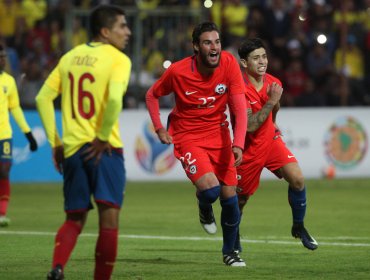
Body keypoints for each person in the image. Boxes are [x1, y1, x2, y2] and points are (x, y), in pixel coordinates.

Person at [35, 5, 131, 280]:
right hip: (105, 150)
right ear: (105, 31)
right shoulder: (118, 59)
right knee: (109, 220)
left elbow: (43, 98)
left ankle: (58, 267)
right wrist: (101, 137)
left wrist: (56, 142)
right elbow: (114, 99)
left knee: (74, 218)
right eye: (122, 26)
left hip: (73, 150)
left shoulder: (70, 57)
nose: (128, 31)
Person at [145, 22, 248, 267]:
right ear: (195, 47)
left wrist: (238, 143)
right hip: (188, 136)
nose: (214, 47)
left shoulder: (229, 64)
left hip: (219, 135)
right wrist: (159, 127)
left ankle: (229, 252)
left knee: (230, 196)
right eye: (207, 42)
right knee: (211, 191)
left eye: (217, 42)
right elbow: (152, 95)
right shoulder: (178, 72)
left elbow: (239, 108)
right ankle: (204, 206)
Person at [233, 38, 318, 252]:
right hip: (248, 148)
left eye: (264, 56)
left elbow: (275, 108)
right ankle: (233, 236)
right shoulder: (238, 88)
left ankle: (298, 226)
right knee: (240, 199)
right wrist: (270, 102)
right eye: (255, 58)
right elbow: (250, 125)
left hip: (270, 142)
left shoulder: (273, 82)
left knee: (297, 179)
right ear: (244, 63)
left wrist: (274, 123)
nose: (262, 61)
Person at [0, 43, 38, 227]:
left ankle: (2, 212)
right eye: (0, 57)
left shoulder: (8, 81)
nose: (3, 60)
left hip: (4, 134)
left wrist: (28, 134)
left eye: (4, 57)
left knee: (4, 170)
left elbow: (15, 108)